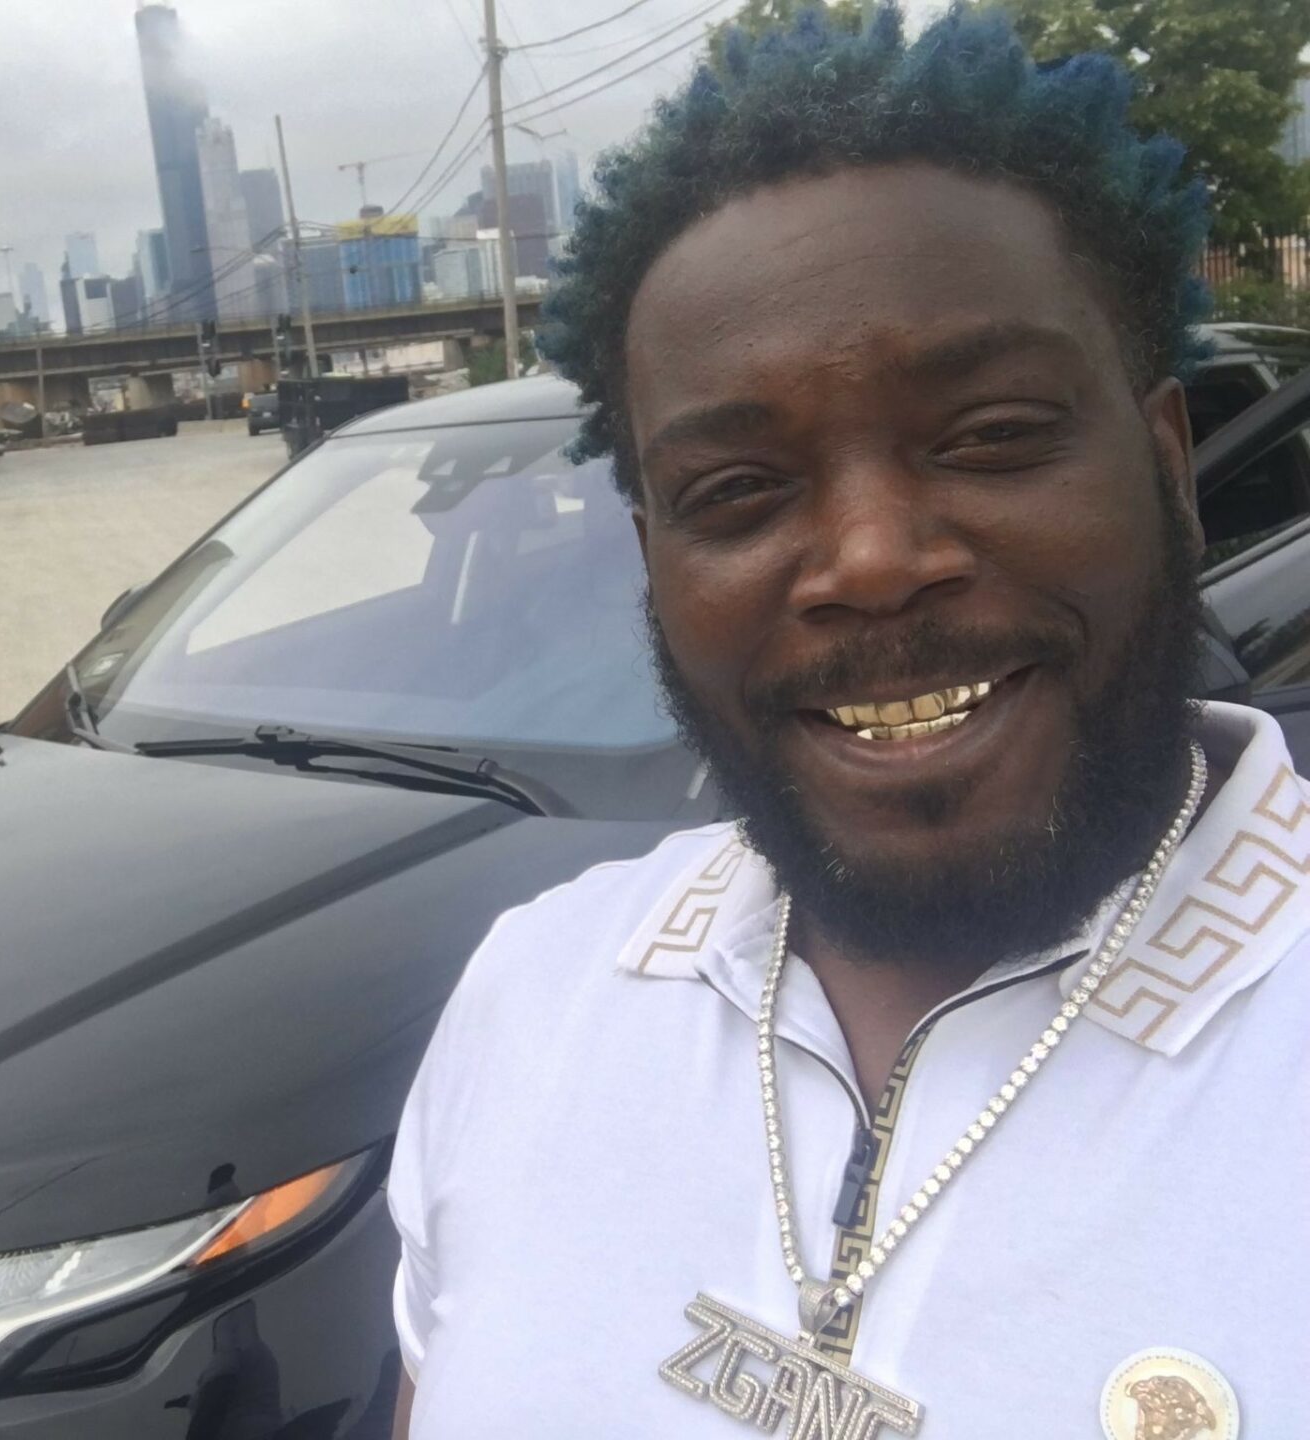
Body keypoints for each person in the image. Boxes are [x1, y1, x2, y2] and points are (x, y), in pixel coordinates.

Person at [388, 7, 1308, 1437]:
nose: (872, 561)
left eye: (991, 434)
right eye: (736, 492)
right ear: (653, 562)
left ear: (1167, 466)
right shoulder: (533, 1000)